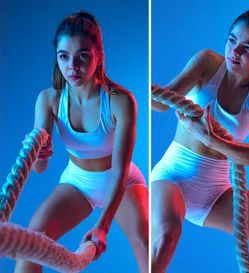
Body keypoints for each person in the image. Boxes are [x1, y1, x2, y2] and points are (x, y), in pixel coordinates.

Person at [150, 6, 249, 273]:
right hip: (173, 174)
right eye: (232, 40)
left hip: (215, 192)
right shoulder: (208, 64)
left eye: (247, 48)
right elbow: (161, 103)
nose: (235, 51)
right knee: (166, 236)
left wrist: (214, 141)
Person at [15, 11, 149, 273]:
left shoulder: (121, 101)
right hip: (77, 182)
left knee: (147, 243)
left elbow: (120, 172)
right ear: (57, 57)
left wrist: (103, 225)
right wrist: (38, 154)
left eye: (82, 56)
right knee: (31, 242)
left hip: (122, 181)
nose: (72, 67)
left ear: (98, 54)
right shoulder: (49, 100)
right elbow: (39, 169)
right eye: (64, 57)